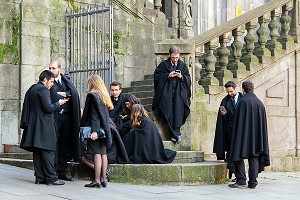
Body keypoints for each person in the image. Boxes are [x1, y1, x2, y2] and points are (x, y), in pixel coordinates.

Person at [20, 70, 69, 185]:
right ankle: (51, 178)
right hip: (44, 126)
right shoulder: (43, 89)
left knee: (38, 151)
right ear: (45, 79)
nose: (52, 84)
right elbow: (48, 107)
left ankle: (39, 177)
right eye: (51, 81)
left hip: (35, 125)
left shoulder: (33, 88)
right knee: (49, 150)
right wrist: (59, 104)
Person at [227, 80, 270, 189]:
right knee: (254, 156)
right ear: (253, 89)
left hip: (243, 135)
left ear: (243, 90)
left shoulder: (242, 102)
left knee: (238, 154)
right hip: (256, 137)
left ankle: (241, 180)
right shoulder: (260, 103)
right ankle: (253, 182)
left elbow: (238, 121)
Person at [49, 60, 81, 181]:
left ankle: (62, 170)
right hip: (55, 116)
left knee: (64, 144)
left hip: (67, 117)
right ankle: (53, 170)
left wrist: (65, 93)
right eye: (50, 68)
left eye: (53, 68)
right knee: (54, 143)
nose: (51, 70)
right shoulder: (48, 81)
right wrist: (62, 95)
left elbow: (73, 93)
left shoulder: (66, 81)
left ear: (59, 69)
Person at [152, 46, 191, 143]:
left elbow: (188, 79)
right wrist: (168, 75)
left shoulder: (183, 65)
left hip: (179, 94)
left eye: (177, 58)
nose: (175, 59)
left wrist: (181, 76)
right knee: (167, 111)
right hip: (167, 94)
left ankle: (176, 133)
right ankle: (175, 134)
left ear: (179, 56)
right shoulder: (163, 65)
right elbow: (157, 76)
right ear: (170, 55)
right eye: (173, 57)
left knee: (179, 112)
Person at [80, 74, 113, 188]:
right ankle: (103, 179)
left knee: (96, 154)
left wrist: (94, 131)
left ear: (93, 83)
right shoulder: (103, 95)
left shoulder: (93, 96)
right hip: (104, 129)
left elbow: (94, 115)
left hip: (96, 128)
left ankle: (97, 180)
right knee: (103, 153)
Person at [213, 81, 242, 180]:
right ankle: (232, 174)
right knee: (230, 151)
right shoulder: (225, 100)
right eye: (227, 92)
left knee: (238, 153)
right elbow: (223, 118)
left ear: (235, 88)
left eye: (231, 91)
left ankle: (239, 175)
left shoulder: (242, 98)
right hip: (229, 130)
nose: (229, 93)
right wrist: (224, 114)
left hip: (240, 130)